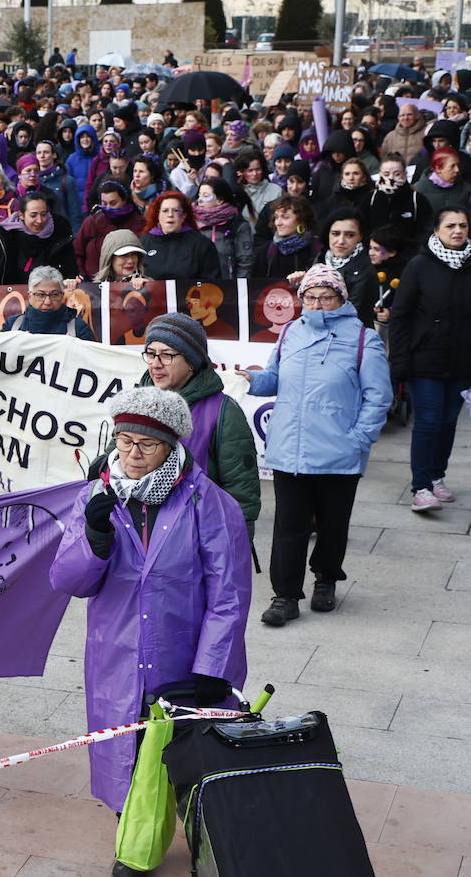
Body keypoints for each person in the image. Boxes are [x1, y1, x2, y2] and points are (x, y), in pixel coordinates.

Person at [51, 386, 250, 875]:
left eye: (147, 444)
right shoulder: (97, 496)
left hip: (182, 660)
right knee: (127, 754)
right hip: (116, 656)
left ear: (172, 445)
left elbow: (229, 594)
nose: (133, 454)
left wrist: (213, 668)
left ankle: (208, 839)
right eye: (124, 440)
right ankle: (136, 842)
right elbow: (67, 580)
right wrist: (94, 539)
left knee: (189, 760)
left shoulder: (209, 503)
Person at [242, 265, 390, 625]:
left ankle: (326, 578)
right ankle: (285, 596)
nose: (318, 304)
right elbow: (274, 378)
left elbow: (378, 397)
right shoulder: (291, 331)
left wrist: (357, 440)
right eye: (310, 297)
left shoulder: (362, 338)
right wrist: (249, 380)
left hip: (339, 453)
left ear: (342, 298)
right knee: (288, 525)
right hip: (289, 448)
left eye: (326, 297)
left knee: (333, 523)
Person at [139, 313, 261, 537]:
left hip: (198, 535)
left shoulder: (223, 411)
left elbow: (241, 492)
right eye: (150, 354)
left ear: (191, 363)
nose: (155, 364)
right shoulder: (136, 403)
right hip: (142, 533)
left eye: (167, 355)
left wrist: (237, 545)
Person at [388, 206, 471, 512]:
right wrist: (399, 363)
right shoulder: (420, 265)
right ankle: (421, 486)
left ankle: (437, 476)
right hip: (425, 361)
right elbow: (401, 316)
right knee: (429, 421)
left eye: (463, 225)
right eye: (450, 225)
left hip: (462, 363)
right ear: (437, 230)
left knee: (448, 422)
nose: (458, 230)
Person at [0, 191, 77, 283]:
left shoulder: (61, 234)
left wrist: (70, 281)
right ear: (21, 215)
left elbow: (70, 273)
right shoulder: (7, 236)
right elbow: (0, 277)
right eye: (33, 215)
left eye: (43, 214)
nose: (39, 221)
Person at [137, 191, 222, 280]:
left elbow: (212, 284)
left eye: (176, 210)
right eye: (165, 211)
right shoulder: (144, 243)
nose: (170, 215)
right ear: (158, 215)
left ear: (184, 216)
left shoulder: (201, 244)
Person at [73, 181, 145, 279]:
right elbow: (77, 250)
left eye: (113, 203)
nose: (108, 208)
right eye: (104, 203)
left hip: (130, 285)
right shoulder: (92, 221)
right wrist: (81, 276)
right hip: (92, 286)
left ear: (124, 200)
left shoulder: (138, 222)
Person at [0, 265, 95, 338]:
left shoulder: (78, 329)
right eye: (41, 295)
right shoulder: (12, 326)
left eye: (54, 295)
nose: (47, 302)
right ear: (29, 296)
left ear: (62, 296)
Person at [194, 178, 254, 278]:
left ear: (220, 200)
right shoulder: (194, 223)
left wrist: (239, 286)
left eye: (206, 196)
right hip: (200, 286)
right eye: (199, 195)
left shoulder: (237, 224)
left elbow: (245, 260)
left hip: (228, 285)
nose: (200, 200)